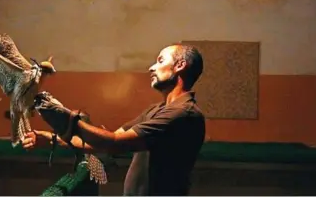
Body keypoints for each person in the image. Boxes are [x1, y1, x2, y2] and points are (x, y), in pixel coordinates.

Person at [23, 43, 206, 196]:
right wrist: (53, 139)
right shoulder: (158, 110)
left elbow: (114, 143)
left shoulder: (182, 114)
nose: (151, 67)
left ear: (180, 65)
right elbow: (105, 141)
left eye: (160, 60)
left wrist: (66, 118)